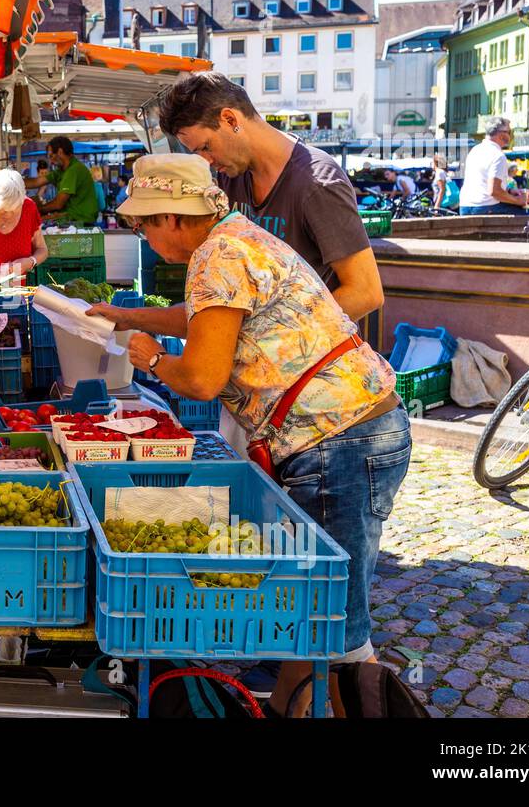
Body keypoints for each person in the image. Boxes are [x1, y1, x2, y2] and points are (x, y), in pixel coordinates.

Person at [114, 152, 410, 716]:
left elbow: (202, 378)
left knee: (336, 624)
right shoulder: (237, 237)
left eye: (143, 224)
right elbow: (208, 316)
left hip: (337, 438)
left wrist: (152, 360)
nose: (144, 237)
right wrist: (130, 317)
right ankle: (284, 712)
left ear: (171, 218)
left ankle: (372, 707)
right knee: (310, 610)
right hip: (355, 429)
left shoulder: (216, 257)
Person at [91, 73, 383, 333]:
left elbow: (365, 292)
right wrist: (128, 317)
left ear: (230, 120)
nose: (207, 161)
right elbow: (218, 303)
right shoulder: (229, 178)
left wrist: (271, 338)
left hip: (320, 378)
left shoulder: (317, 182)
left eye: (206, 147)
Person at [459, 117, 529, 216]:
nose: (511, 136)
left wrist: (510, 191)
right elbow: (494, 191)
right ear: (501, 134)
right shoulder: (498, 155)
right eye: (509, 132)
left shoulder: (475, 150)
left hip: (465, 206)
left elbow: (482, 185)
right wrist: (519, 201)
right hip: (485, 208)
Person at [28, 136, 98, 225]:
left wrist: (38, 209)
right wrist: (14, 181)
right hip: (71, 220)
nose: (50, 161)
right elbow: (36, 182)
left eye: (51, 156)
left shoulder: (73, 170)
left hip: (81, 224)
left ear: (60, 152)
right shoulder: (61, 170)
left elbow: (58, 204)